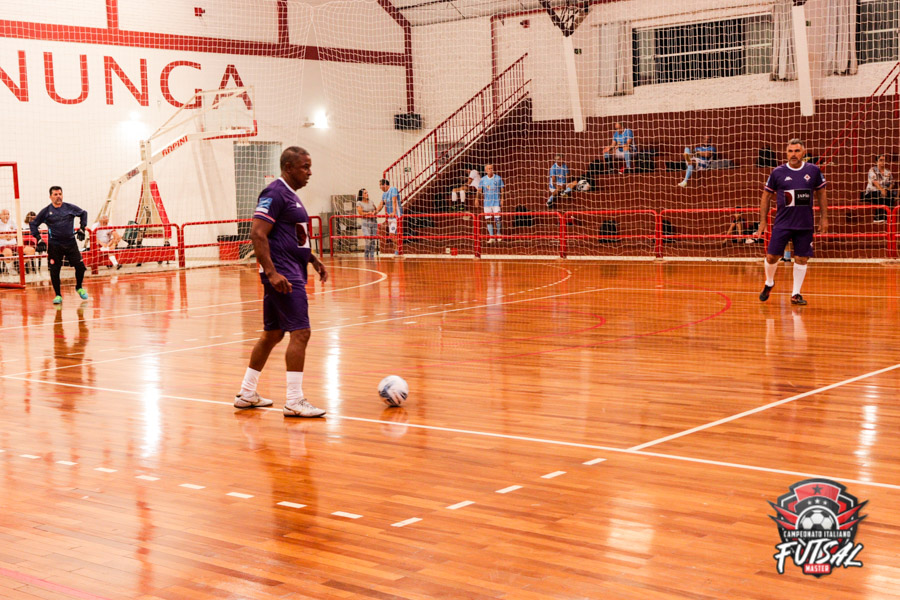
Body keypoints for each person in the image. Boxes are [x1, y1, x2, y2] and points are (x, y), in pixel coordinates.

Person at [235, 146, 328, 418]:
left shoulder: (291, 196)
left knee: (273, 334)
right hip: (284, 276)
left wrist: (312, 259)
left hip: (291, 270)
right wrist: (272, 273)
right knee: (301, 332)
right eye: (304, 167)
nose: (309, 172)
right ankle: (294, 401)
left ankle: (247, 393)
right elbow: (258, 233)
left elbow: (293, 236)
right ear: (288, 168)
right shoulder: (274, 193)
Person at [754, 138, 828, 306]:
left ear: (803, 152)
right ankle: (769, 282)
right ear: (786, 153)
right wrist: (762, 221)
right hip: (782, 223)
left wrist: (824, 218)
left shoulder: (813, 170)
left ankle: (796, 293)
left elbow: (821, 193)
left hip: (804, 224)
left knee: (801, 259)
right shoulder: (777, 172)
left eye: (797, 151)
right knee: (772, 257)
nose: (793, 154)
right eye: (790, 151)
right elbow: (766, 196)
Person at [30, 186, 89, 303]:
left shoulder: (69, 208)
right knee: (55, 270)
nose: (58, 196)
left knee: (80, 267)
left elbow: (84, 213)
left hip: (70, 243)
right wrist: (39, 239)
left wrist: (82, 228)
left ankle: (79, 287)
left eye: (60, 194)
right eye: (55, 194)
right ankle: (58, 295)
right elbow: (33, 224)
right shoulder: (46, 211)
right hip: (55, 245)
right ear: (50, 197)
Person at [861, 154, 896, 223]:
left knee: (890, 195)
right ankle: (877, 217)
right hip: (872, 192)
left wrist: (887, 190)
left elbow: (892, 183)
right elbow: (875, 182)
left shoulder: (888, 171)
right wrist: (882, 190)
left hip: (884, 191)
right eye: (881, 160)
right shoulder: (872, 170)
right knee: (879, 195)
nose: (883, 162)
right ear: (876, 162)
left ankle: (887, 217)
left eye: (884, 160)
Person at [478, 163, 505, 243]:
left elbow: (502, 189)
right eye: (489, 168)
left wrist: (502, 198)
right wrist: (476, 198)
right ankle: (491, 237)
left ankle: (499, 234)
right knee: (488, 220)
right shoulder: (483, 179)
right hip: (487, 203)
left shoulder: (498, 178)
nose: (491, 170)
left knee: (498, 219)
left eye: (491, 168)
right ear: (486, 170)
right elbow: (479, 190)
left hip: (496, 202)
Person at [356, 188, 382, 258]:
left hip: (373, 222)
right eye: (365, 193)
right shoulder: (359, 203)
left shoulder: (371, 202)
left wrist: (374, 212)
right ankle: (366, 255)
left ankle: (372, 256)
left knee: (373, 240)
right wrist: (368, 213)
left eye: (367, 192)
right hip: (365, 223)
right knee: (368, 240)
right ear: (361, 195)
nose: (367, 194)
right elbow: (361, 213)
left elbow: (376, 210)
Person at [379, 179, 402, 254]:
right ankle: (397, 252)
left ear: (384, 185)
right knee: (393, 235)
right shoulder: (384, 194)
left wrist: (394, 212)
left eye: (380, 185)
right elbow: (381, 204)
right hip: (390, 218)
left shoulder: (393, 189)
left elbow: (394, 201)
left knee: (391, 235)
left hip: (396, 216)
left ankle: (400, 249)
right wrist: (375, 212)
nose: (380, 187)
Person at [0, 208, 16, 273]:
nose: (6, 216)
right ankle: (10, 269)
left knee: (29, 250)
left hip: (14, 244)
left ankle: (20, 267)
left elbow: (17, 232)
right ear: (0, 215)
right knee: (8, 252)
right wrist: (4, 236)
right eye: (4, 214)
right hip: (3, 245)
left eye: (8, 214)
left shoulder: (12, 222)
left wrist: (12, 236)